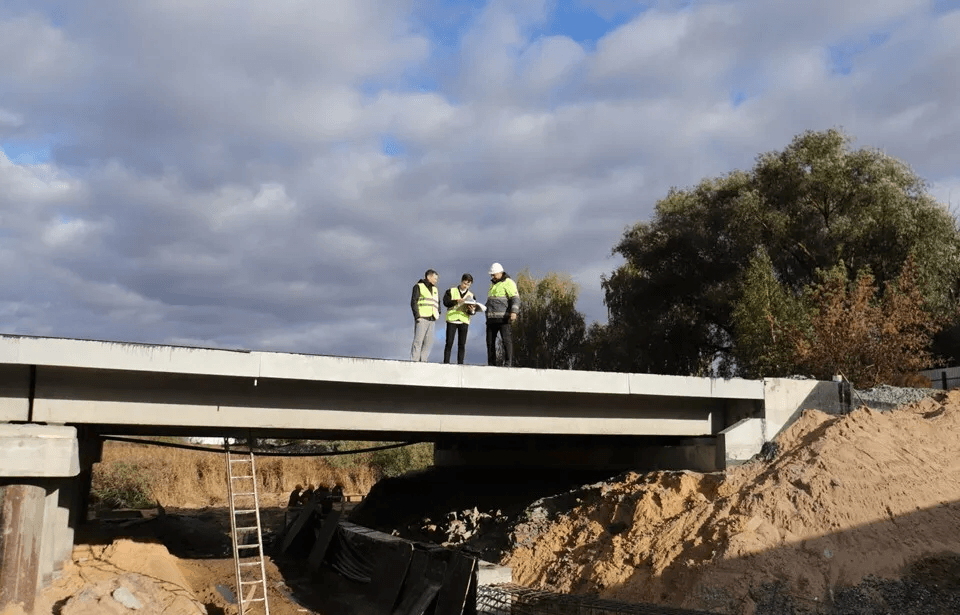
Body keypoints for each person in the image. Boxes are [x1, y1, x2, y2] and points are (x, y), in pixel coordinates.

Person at [484, 262, 520, 366]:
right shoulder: (492, 284)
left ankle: (508, 363)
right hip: (491, 319)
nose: (492, 276)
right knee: (490, 343)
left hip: (503, 318)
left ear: (500, 273)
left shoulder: (509, 282)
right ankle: (491, 364)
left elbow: (515, 299)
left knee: (506, 341)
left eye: (494, 274)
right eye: (491, 274)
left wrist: (514, 312)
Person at [442, 273, 476, 364]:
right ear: (461, 281)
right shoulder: (451, 291)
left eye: (468, 285)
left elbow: (473, 311)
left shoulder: (471, 295)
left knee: (462, 344)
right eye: (465, 283)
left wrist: (471, 310)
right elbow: (445, 302)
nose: (466, 286)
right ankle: (446, 363)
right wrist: (456, 301)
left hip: (464, 320)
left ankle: (460, 364)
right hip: (452, 319)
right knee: (449, 343)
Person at [410, 269, 440, 361]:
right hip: (422, 318)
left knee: (429, 342)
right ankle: (414, 361)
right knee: (418, 341)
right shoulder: (418, 286)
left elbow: (437, 302)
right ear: (428, 277)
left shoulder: (435, 289)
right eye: (435, 278)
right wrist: (417, 316)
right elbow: (413, 302)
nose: (436, 280)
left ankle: (423, 361)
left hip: (432, 318)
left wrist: (438, 313)